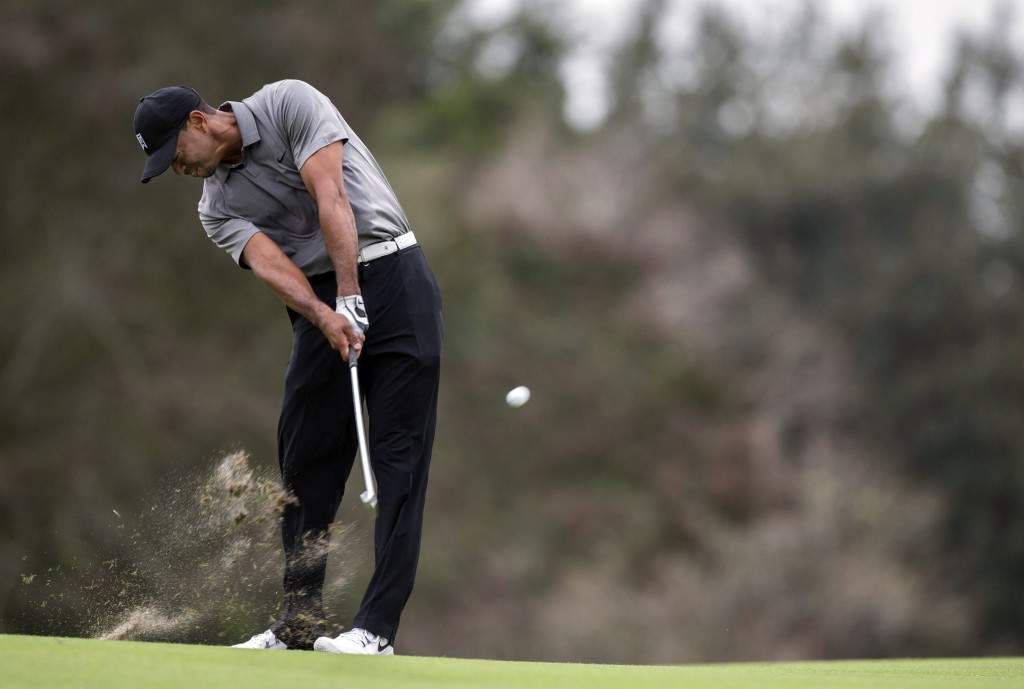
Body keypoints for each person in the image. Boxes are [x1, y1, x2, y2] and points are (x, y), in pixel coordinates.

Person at [133, 80, 443, 655]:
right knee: (304, 460)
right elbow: (273, 265)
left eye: (173, 154)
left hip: (394, 276)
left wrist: (351, 291)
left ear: (199, 123)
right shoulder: (215, 207)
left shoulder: (290, 103)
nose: (175, 170)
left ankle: (375, 629)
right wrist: (326, 315)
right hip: (318, 303)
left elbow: (332, 197)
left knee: (399, 458)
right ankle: (297, 625)